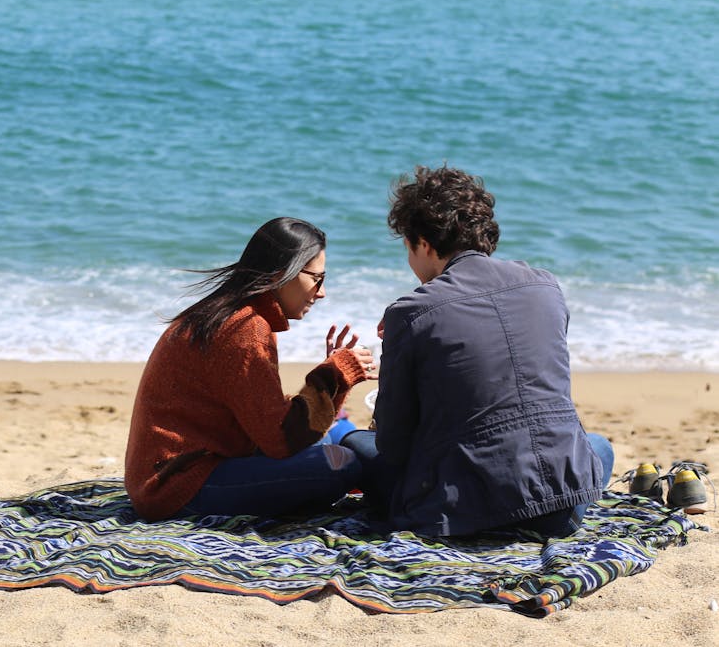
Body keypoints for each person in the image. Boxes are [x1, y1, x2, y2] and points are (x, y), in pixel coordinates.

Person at [342, 166, 614, 538]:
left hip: (461, 513)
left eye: (408, 248)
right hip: (560, 508)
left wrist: (401, 344)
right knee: (597, 447)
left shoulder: (411, 312)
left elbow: (394, 442)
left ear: (423, 243)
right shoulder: (546, 287)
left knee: (355, 443)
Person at [124, 217, 376, 521]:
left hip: (178, 472)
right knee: (342, 464)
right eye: (317, 279)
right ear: (284, 274)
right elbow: (279, 441)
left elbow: (267, 424)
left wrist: (336, 380)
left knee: (328, 440)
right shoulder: (246, 328)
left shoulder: (234, 313)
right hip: (177, 488)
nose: (321, 292)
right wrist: (332, 376)